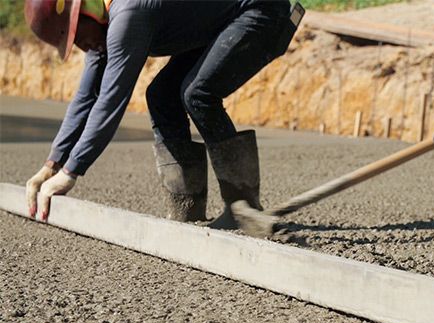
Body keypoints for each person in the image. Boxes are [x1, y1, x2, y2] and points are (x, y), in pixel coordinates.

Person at [23, 0, 299, 237]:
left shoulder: (128, 14)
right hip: (227, 20)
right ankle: (187, 210)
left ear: (86, 13)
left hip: (263, 12)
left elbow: (110, 102)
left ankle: (243, 208)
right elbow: (85, 98)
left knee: (197, 94)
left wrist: (71, 172)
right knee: (161, 95)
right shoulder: (105, 26)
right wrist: (52, 164)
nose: (85, 47)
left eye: (78, 37)